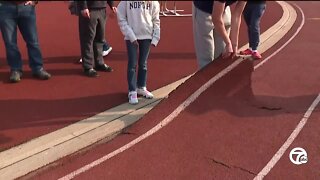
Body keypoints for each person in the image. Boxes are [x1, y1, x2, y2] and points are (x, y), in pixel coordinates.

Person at [117, 1, 160, 105]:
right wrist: (131, 35)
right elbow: (121, 18)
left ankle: (141, 86)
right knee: (132, 64)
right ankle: (132, 90)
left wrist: (156, 37)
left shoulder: (153, 2)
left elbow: (156, 20)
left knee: (143, 63)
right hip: (132, 37)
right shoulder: (126, 2)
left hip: (146, 36)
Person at [0, 1, 51, 83]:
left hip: (26, 7)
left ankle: (38, 68)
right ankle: (15, 69)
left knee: (33, 41)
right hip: (5, 7)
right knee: (10, 43)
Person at [192, 0, 247, 69]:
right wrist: (228, 42)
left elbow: (237, 16)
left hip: (222, 8)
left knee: (222, 56)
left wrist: (234, 45)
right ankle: (206, 77)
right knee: (206, 61)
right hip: (204, 10)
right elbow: (216, 18)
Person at [77, 1, 117, 77]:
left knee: (100, 38)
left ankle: (99, 63)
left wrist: (111, 5)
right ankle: (88, 67)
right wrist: (83, 7)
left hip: (102, 8)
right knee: (88, 39)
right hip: (90, 9)